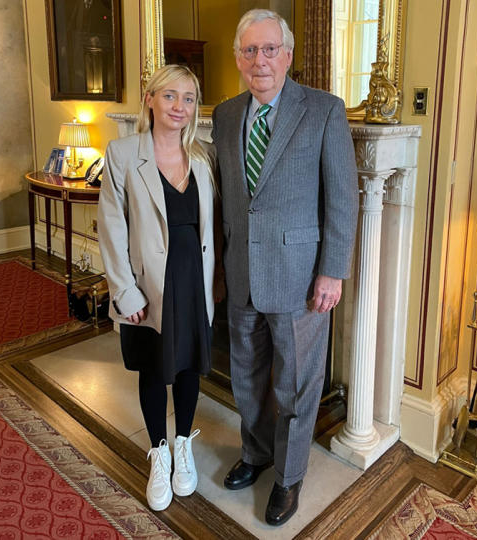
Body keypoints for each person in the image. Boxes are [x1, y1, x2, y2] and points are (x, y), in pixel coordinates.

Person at [212, 9, 358, 526]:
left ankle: (290, 475)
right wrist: (219, 270)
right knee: (247, 377)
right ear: (237, 59)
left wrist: (332, 271)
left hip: (301, 278)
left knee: (297, 384)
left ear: (288, 55)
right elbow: (228, 200)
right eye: (249, 51)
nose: (260, 60)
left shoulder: (323, 110)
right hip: (243, 271)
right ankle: (256, 454)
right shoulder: (226, 115)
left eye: (269, 49)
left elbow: (342, 198)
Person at [96, 64, 223, 512]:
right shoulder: (123, 153)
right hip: (147, 285)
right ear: (150, 99)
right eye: (170, 96)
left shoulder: (205, 155)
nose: (180, 107)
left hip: (194, 282)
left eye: (189, 98)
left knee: (187, 367)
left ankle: (183, 446)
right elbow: (111, 228)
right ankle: (159, 450)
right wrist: (125, 292)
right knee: (153, 368)